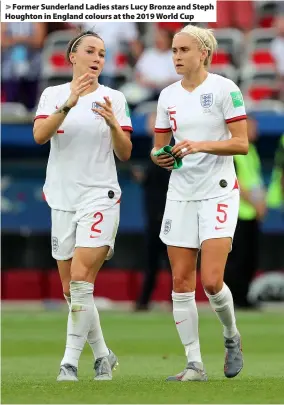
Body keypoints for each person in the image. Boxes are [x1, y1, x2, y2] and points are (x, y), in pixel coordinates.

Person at [33, 30, 133, 381]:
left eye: (102, 53)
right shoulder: (53, 95)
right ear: (72, 57)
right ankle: (103, 354)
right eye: (90, 50)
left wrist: (112, 124)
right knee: (70, 290)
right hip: (62, 198)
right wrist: (68, 103)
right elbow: (40, 136)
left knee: (80, 280)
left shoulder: (114, 98)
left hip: (99, 197)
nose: (97, 58)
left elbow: (125, 152)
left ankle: (69, 363)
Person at [151, 24, 248, 382]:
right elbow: (159, 145)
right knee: (180, 280)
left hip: (219, 189)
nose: (176, 56)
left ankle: (230, 336)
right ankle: (194, 364)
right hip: (181, 192)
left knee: (210, 281)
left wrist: (198, 144)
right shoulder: (167, 96)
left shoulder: (225, 89)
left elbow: (241, 144)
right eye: (174, 50)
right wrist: (160, 156)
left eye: (183, 50)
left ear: (203, 53)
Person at [225, 117, 266, 309]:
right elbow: (237, 183)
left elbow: (255, 180)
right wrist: (255, 203)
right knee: (238, 258)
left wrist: (262, 203)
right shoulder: (234, 152)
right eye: (252, 127)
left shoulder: (252, 152)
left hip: (252, 213)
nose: (256, 130)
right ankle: (234, 297)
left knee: (251, 257)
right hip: (238, 213)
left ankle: (244, 296)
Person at [133, 112, 170, 311]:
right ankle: (144, 300)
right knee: (151, 260)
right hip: (153, 212)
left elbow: (164, 181)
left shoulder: (166, 149)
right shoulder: (150, 148)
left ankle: (176, 299)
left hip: (164, 212)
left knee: (170, 259)